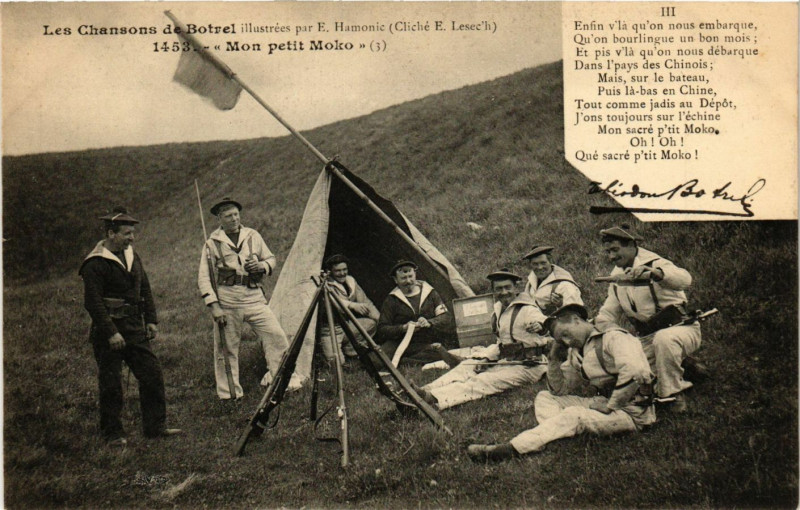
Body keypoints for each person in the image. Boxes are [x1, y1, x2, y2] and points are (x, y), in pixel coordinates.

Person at [467, 304, 656, 462]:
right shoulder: (578, 351)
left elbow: (635, 373)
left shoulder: (613, 337)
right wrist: (554, 359)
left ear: (576, 320)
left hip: (632, 413)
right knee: (545, 397)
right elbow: (559, 391)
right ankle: (552, 435)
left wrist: (609, 406)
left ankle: (510, 449)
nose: (566, 341)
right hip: (605, 405)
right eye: (561, 340)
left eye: (566, 334)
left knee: (573, 414)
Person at [79, 207, 182, 446]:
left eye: (132, 233)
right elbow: (92, 303)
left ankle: (155, 427)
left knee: (152, 374)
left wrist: (151, 320)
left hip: (135, 328)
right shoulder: (95, 263)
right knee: (111, 383)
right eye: (126, 233)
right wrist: (111, 333)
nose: (132, 238)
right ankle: (112, 433)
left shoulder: (132, 256)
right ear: (111, 233)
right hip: (109, 333)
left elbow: (144, 288)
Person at [198, 197, 302, 400]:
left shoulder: (252, 236)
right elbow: (203, 277)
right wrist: (214, 306)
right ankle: (230, 395)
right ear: (220, 218)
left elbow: (271, 258)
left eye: (236, 214)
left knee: (276, 336)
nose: (234, 219)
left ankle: (284, 382)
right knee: (227, 347)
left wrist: (261, 266)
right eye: (228, 216)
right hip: (228, 300)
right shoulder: (212, 244)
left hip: (254, 297)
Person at [594, 225, 703, 412]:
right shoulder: (617, 277)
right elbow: (608, 312)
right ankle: (687, 368)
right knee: (628, 371)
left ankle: (673, 395)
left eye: (615, 250)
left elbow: (685, 279)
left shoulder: (655, 263)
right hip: (646, 338)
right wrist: (597, 326)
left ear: (631, 245)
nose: (611, 257)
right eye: (608, 252)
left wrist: (657, 274)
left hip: (680, 329)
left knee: (664, 340)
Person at [413, 270, 549, 410]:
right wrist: (486, 359)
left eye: (507, 287)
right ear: (493, 291)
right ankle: (425, 390)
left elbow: (544, 323)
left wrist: (540, 326)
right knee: (467, 366)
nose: (504, 292)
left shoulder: (528, 309)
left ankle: (435, 398)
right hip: (506, 361)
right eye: (499, 289)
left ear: (516, 288)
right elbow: (500, 344)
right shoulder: (498, 309)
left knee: (484, 380)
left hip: (529, 366)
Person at [375, 260, 458, 366]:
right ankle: (411, 360)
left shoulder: (429, 293)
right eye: (403, 278)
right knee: (376, 360)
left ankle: (408, 361)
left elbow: (446, 317)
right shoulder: (392, 299)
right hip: (402, 342)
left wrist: (429, 322)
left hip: (427, 339)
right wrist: (403, 328)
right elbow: (382, 329)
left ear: (415, 275)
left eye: (410, 276)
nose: (408, 281)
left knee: (438, 351)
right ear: (396, 280)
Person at [320, 253, 380, 361]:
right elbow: (331, 302)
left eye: (344, 269)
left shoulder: (350, 281)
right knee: (336, 363)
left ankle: (350, 351)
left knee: (371, 324)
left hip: (346, 325)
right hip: (330, 330)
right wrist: (352, 305)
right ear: (330, 272)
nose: (342, 273)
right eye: (338, 271)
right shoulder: (325, 285)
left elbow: (365, 302)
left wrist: (380, 320)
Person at [522, 245, 583, 315]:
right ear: (530, 265)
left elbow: (575, 314)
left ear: (550, 262)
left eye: (543, 263)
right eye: (535, 264)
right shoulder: (530, 282)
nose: (539, 267)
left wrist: (560, 305)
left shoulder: (564, 285)